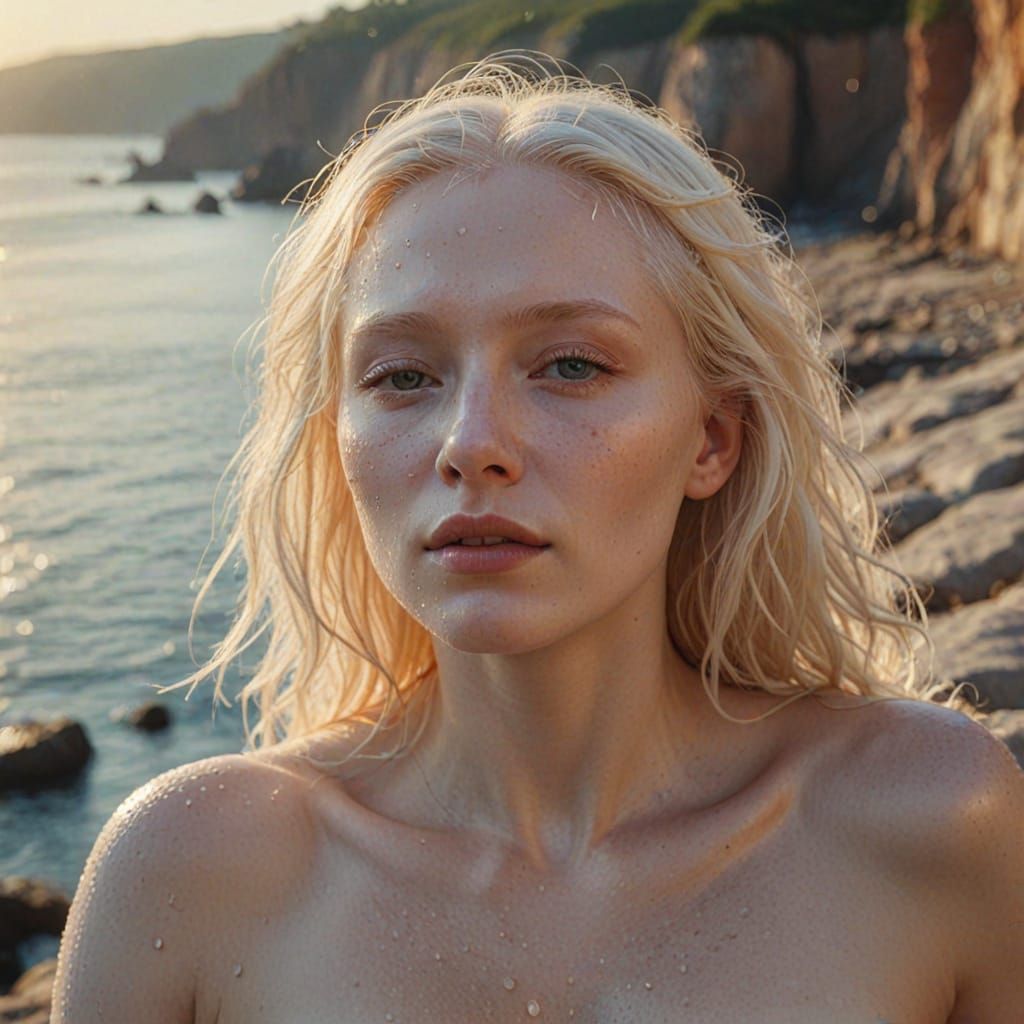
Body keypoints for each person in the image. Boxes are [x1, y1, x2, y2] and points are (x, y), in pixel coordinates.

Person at [51, 51, 1023, 1022]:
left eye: (567, 364)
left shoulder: (929, 819)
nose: (472, 444)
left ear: (712, 439)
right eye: (402, 376)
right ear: (334, 439)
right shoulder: (187, 873)